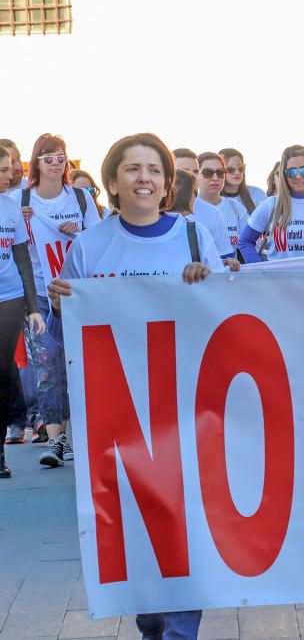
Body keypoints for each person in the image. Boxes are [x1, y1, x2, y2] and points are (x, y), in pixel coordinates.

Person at [48, 132, 223, 640]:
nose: (143, 178)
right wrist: (62, 308)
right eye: (132, 169)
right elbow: (69, 340)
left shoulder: (194, 238)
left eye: (153, 170)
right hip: (119, 415)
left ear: (168, 183)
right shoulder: (89, 246)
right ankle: (154, 623)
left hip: (184, 405)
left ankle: (177, 631)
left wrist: (207, 283)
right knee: (138, 530)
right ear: (113, 181)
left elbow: (223, 316)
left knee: (182, 522)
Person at [15, 134, 100, 468]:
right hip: (38, 293)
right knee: (47, 366)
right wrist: (14, 222)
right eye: (48, 157)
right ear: (36, 162)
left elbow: (99, 241)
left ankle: (78, 435)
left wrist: (77, 234)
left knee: (79, 364)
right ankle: (54, 441)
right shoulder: (21, 200)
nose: (55, 163)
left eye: (61, 157)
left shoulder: (80, 199)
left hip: (76, 292)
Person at [0, 144, 44, 478]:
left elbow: (22, 258)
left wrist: (32, 308)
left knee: (2, 369)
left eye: (10, 168)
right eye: (2, 169)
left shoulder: (11, 207)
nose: (10, 174)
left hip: (10, 296)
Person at [196, 151, 243, 260]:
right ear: (196, 175)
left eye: (220, 172)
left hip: (228, 275)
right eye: (208, 173)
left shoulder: (236, 208)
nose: (215, 178)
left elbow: (247, 244)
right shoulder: (187, 210)